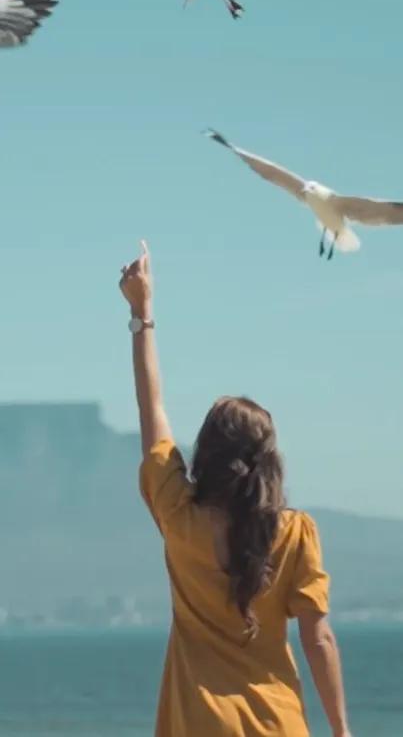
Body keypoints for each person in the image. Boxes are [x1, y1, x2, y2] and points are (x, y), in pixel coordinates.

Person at [119, 241, 352, 737]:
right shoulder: (294, 534)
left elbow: (151, 408)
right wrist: (341, 730)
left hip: (200, 723)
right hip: (279, 723)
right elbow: (319, 640)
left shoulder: (179, 515)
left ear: (205, 452)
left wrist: (143, 314)